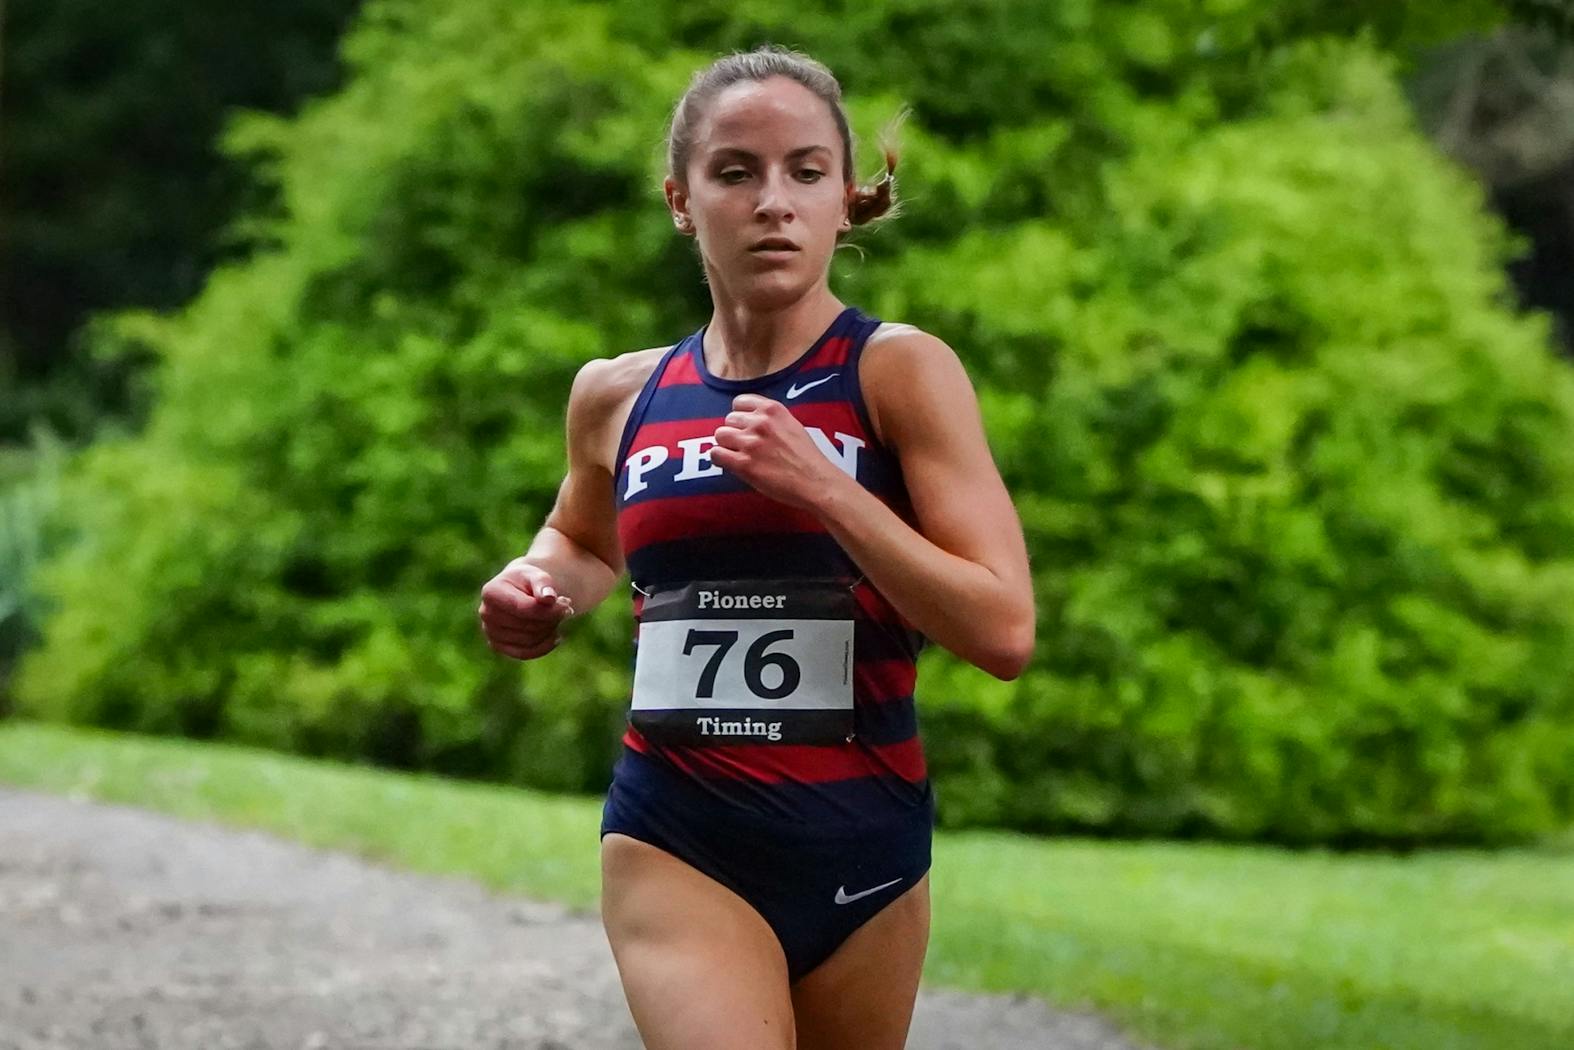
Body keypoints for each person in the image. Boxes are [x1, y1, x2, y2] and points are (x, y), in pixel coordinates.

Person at [478, 45, 1034, 1050]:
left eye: (804, 172)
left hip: (863, 837)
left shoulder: (896, 373)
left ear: (844, 200)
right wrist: (532, 585)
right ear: (682, 201)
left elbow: (1000, 629)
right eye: (734, 172)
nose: (771, 201)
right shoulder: (617, 392)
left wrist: (825, 489)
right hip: (676, 831)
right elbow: (580, 540)